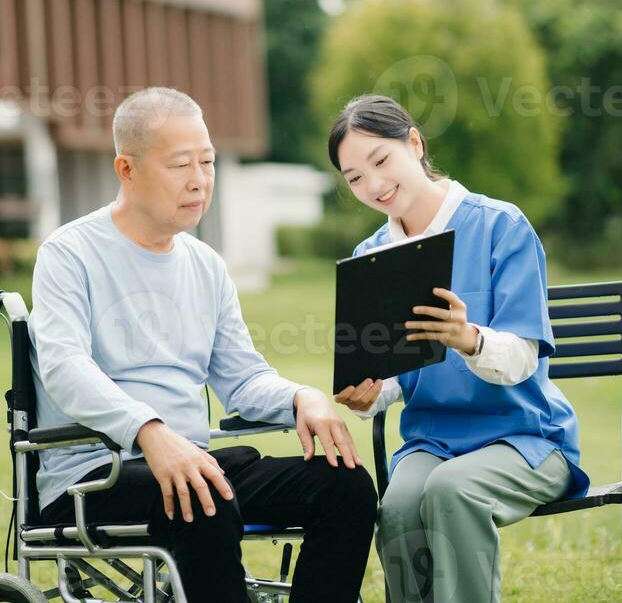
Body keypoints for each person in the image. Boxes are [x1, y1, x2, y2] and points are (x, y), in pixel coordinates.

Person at [29, 87, 376, 603]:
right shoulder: (69, 254)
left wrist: (301, 397)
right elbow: (65, 367)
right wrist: (149, 431)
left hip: (193, 464)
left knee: (344, 487)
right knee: (201, 495)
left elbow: (242, 379)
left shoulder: (205, 265)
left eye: (208, 162)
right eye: (179, 165)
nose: (199, 180)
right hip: (94, 476)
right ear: (126, 169)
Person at [329, 93, 590, 603]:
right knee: (400, 507)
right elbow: (393, 375)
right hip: (433, 442)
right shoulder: (371, 256)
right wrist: (369, 393)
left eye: (381, 161)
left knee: (453, 490)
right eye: (355, 177)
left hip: (527, 439)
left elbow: (522, 359)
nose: (374, 185)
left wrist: (469, 339)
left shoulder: (500, 227)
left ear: (414, 143)